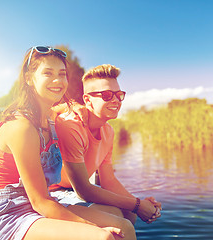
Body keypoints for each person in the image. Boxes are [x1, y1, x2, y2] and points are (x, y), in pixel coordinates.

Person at [0, 46, 136, 240]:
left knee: (124, 224)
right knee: (103, 237)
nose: (57, 80)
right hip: (11, 215)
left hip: (42, 204)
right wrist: (92, 228)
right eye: (48, 73)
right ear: (29, 78)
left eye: (62, 74)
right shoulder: (21, 127)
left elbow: (63, 108)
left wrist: (75, 105)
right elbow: (40, 202)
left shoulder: (50, 118)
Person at [50, 64, 162, 226]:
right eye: (107, 95)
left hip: (73, 190)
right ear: (87, 100)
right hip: (54, 192)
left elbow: (108, 180)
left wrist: (139, 203)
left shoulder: (108, 131)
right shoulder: (72, 125)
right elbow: (84, 190)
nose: (116, 100)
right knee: (117, 216)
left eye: (119, 95)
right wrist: (137, 205)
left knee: (129, 214)